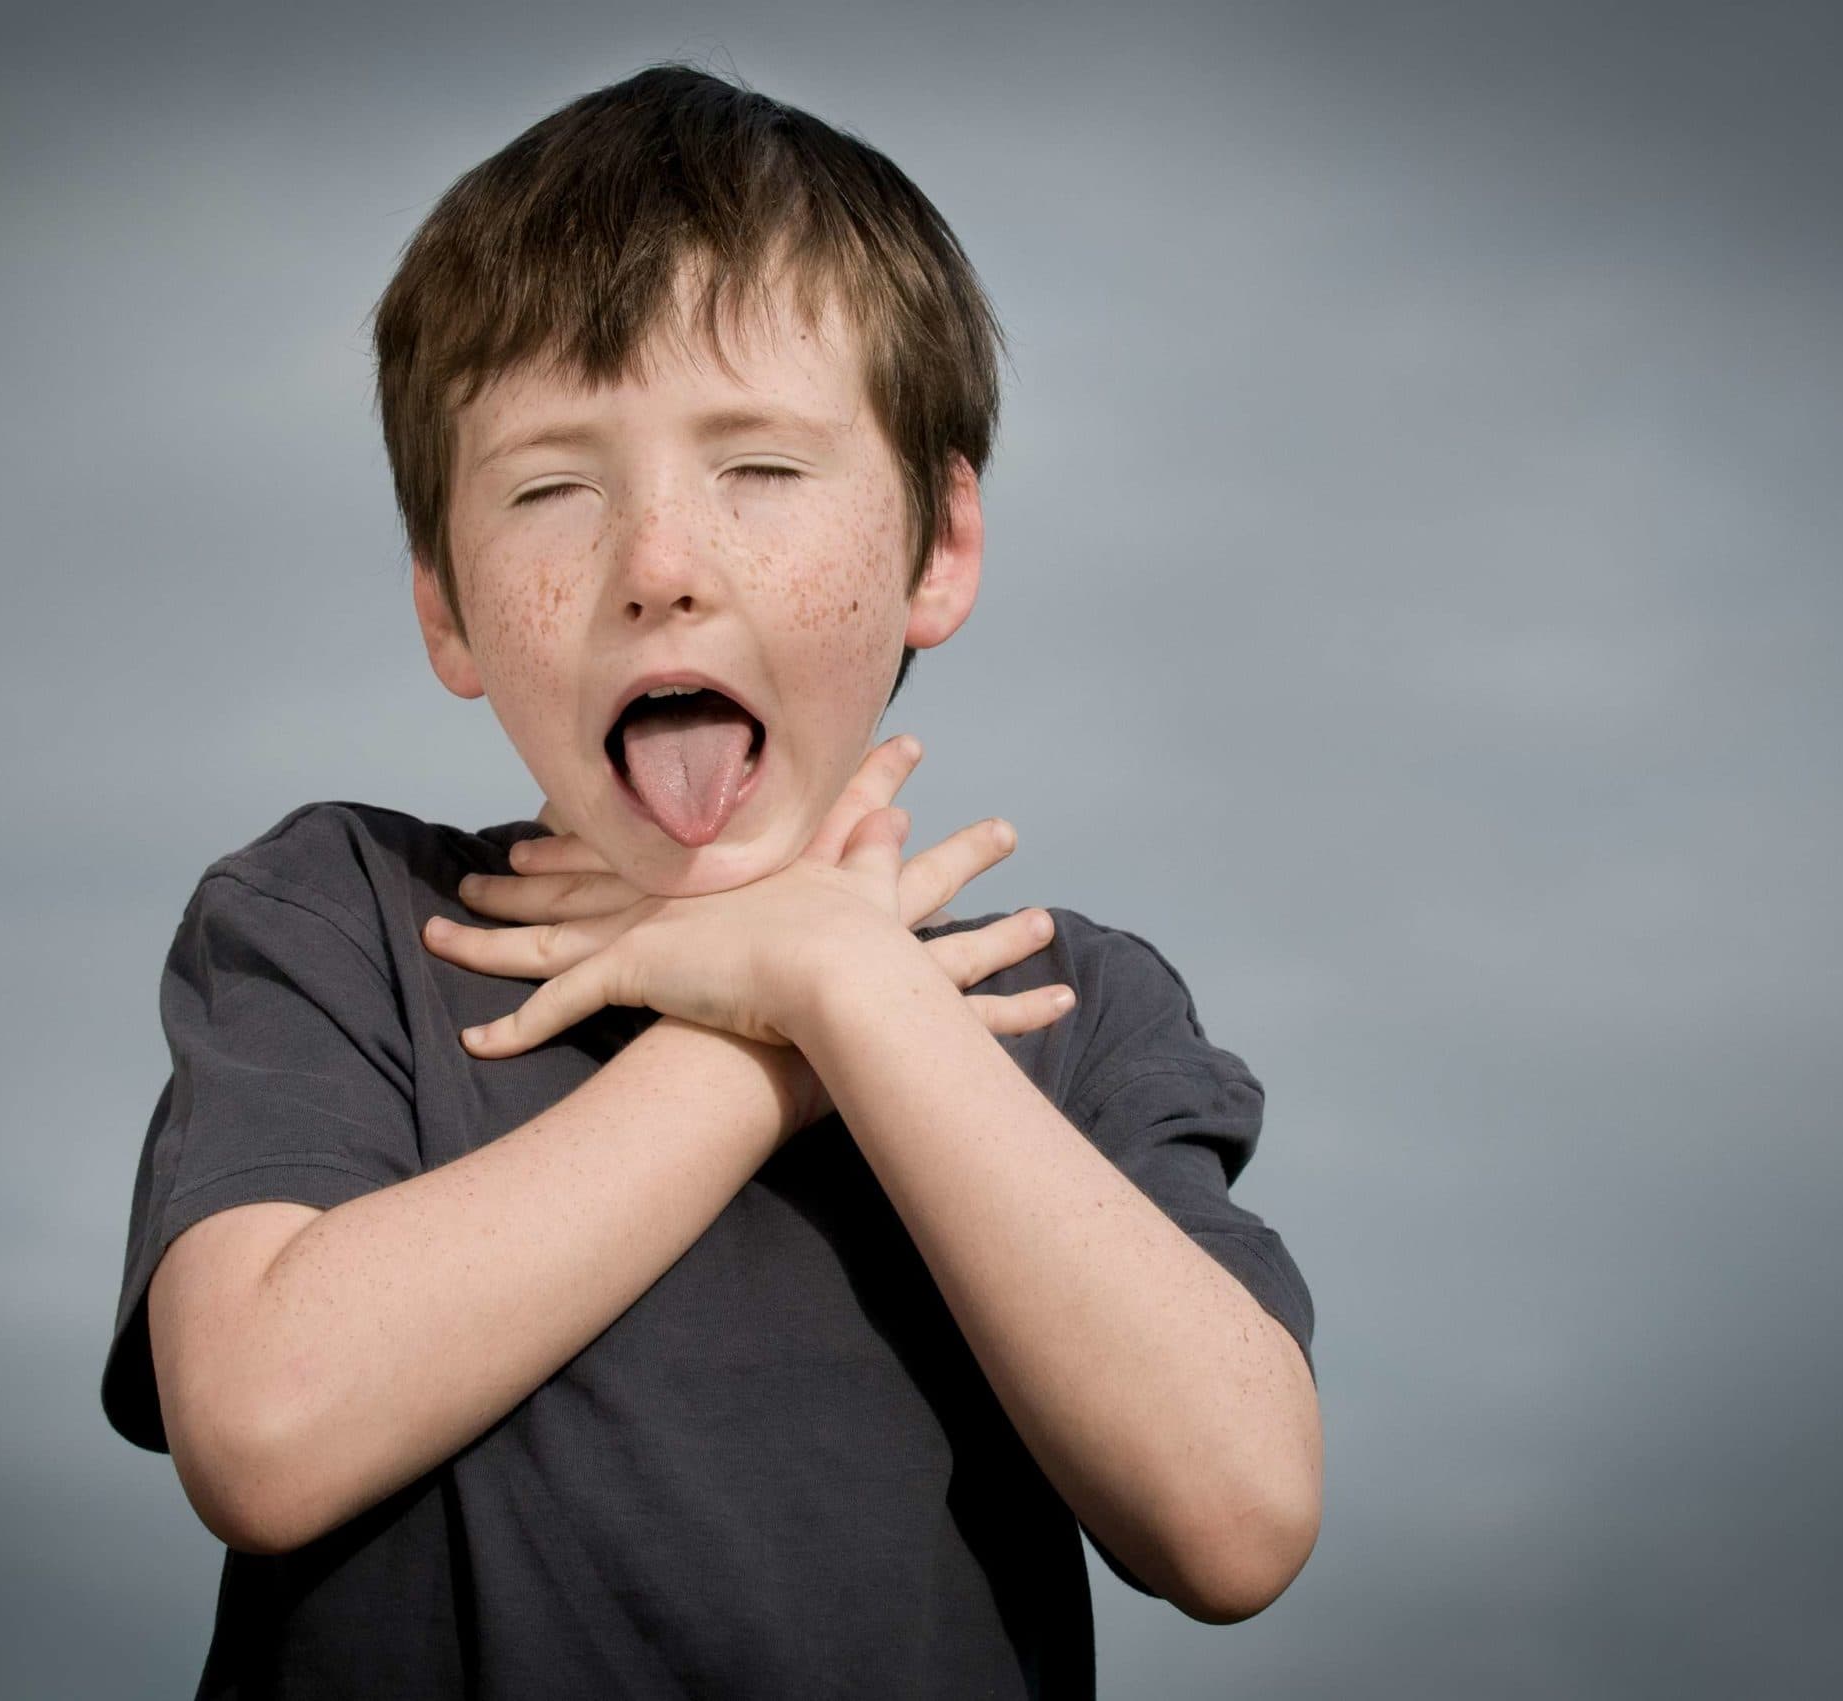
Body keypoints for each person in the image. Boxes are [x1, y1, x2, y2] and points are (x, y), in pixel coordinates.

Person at [100, 61, 1320, 1697]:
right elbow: (259, 1427)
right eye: (551, 489)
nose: (660, 567)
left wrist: (860, 987)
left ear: (937, 550)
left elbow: (1237, 1519)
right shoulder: (338, 918)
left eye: (759, 469)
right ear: (447, 606)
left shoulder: (1055, 1005)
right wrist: (759, 1043)